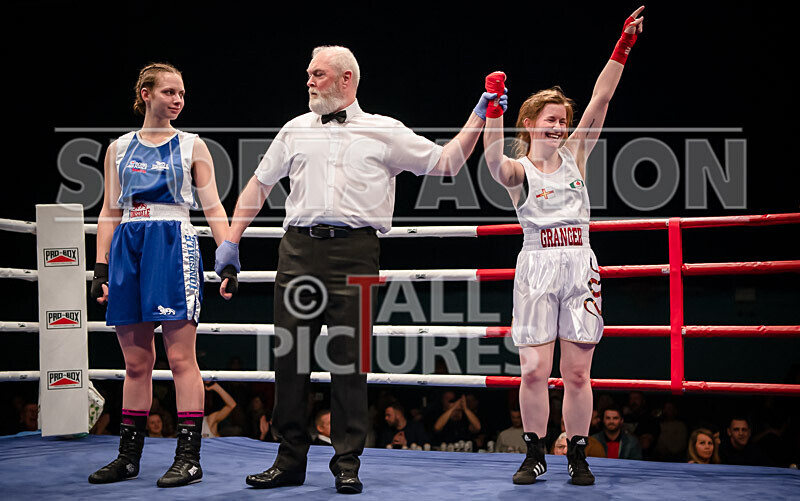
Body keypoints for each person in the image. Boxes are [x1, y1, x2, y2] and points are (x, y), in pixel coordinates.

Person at [215, 45, 499, 494]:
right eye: (308, 74)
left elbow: (446, 164)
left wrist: (479, 115)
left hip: (356, 252)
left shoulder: (383, 130)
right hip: (297, 252)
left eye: (318, 75)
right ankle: (289, 460)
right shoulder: (295, 129)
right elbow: (260, 183)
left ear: (346, 79)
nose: (309, 81)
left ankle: (347, 462)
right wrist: (231, 239)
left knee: (349, 363)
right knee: (291, 359)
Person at [482, 6, 645, 487]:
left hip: (579, 265)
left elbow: (602, 97)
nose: (559, 126)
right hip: (536, 265)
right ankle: (534, 453)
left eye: (564, 120)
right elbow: (492, 164)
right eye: (551, 119)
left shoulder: (576, 154)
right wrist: (494, 110)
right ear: (530, 122)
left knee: (577, 374)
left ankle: (577, 453)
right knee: (533, 370)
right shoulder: (520, 171)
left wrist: (623, 46)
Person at [88, 62, 230, 488]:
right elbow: (110, 211)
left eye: (182, 94)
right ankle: (128, 458)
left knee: (182, 359)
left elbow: (214, 207)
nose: (178, 100)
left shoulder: (192, 146)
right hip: (129, 246)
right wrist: (100, 266)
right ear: (145, 94)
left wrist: (227, 257)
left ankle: (188, 458)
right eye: (169, 92)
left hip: (173, 246)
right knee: (135, 362)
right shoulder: (118, 148)